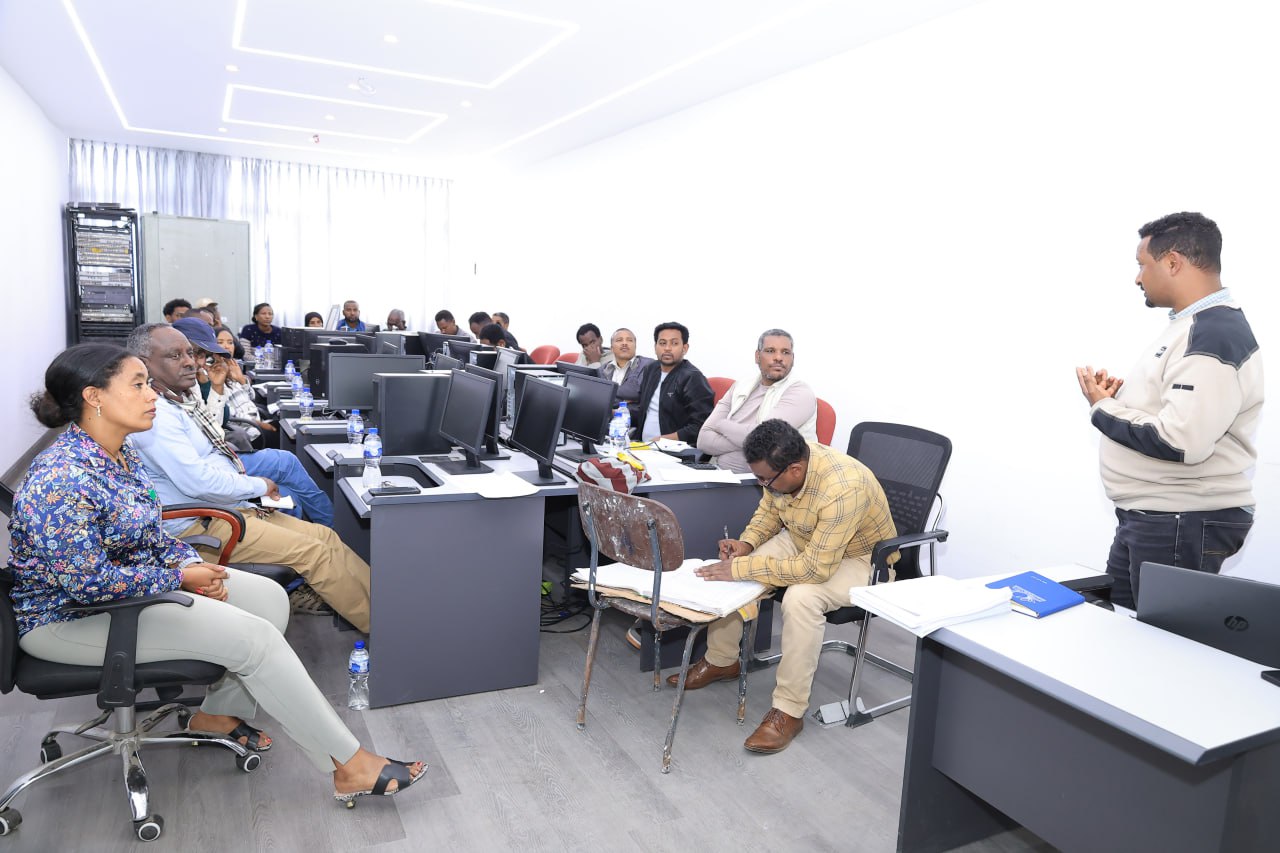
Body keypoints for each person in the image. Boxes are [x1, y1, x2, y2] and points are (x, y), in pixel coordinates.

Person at [7, 343, 424, 801]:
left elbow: (149, 534)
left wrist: (188, 562)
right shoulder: (62, 477)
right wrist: (179, 578)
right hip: (67, 619)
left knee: (270, 599)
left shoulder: (117, 454)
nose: (152, 395)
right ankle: (349, 765)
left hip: (124, 592)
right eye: (139, 385)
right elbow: (86, 583)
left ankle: (216, 715)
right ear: (94, 397)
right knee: (255, 640)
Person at [1076, 212, 1263, 609]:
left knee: (1160, 641)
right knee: (1122, 628)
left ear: (1173, 262)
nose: (1138, 278)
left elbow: (1180, 441)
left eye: (1142, 265)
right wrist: (1122, 402)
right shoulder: (1190, 326)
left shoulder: (1211, 333)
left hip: (1179, 517)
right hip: (1158, 515)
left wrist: (1103, 408)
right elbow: (1179, 415)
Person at [125, 324, 368, 628]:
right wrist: (258, 485)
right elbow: (199, 482)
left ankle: (387, 607)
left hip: (223, 508)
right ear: (143, 364)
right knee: (315, 552)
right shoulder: (158, 416)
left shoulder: (176, 401)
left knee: (325, 536)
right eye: (175, 356)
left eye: (190, 353)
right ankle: (386, 629)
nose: (189, 362)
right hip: (201, 524)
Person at [679, 419, 895, 754]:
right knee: (738, 570)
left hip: (863, 559)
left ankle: (789, 712)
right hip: (805, 539)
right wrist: (747, 545)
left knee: (801, 598)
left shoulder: (843, 488)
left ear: (795, 469)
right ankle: (722, 660)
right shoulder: (782, 469)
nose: (761, 484)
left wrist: (743, 567)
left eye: (765, 479)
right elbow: (769, 513)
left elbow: (813, 569)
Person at [167, 319, 334, 528]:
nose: (199, 362)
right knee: (287, 462)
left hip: (219, 457)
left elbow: (211, 430)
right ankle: (330, 527)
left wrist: (217, 388)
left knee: (289, 495)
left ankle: (319, 532)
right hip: (213, 468)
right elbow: (200, 468)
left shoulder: (191, 383)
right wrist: (256, 484)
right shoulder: (163, 403)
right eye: (195, 354)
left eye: (202, 355)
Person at [697, 329, 818, 473]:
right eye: (770, 351)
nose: (778, 357)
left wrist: (722, 425)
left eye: (786, 352)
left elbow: (764, 441)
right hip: (716, 475)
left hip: (769, 484)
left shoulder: (800, 393)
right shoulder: (740, 386)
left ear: (793, 358)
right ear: (757, 356)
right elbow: (703, 440)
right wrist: (746, 437)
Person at [631, 321, 714, 444]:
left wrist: (664, 440)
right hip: (641, 446)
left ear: (684, 348)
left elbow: (701, 425)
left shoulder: (692, 378)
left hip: (673, 449)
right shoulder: (651, 369)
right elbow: (644, 409)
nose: (667, 348)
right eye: (662, 343)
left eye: (674, 343)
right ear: (655, 347)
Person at [216, 327, 276, 442]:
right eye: (220, 342)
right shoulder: (214, 373)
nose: (226, 346)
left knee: (285, 425)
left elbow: (251, 397)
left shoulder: (233, 366)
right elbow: (229, 414)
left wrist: (241, 380)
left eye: (230, 342)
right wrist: (260, 424)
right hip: (247, 430)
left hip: (256, 423)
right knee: (285, 438)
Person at [600, 327, 653, 404]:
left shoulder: (648, 365)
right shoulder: (603, 370)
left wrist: (607, 391)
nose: (624, 343)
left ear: (635, 346)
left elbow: (635, 392)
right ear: (612, 348)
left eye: (629, 340)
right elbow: (598, 396)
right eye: (619, 340)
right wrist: (626, 401)